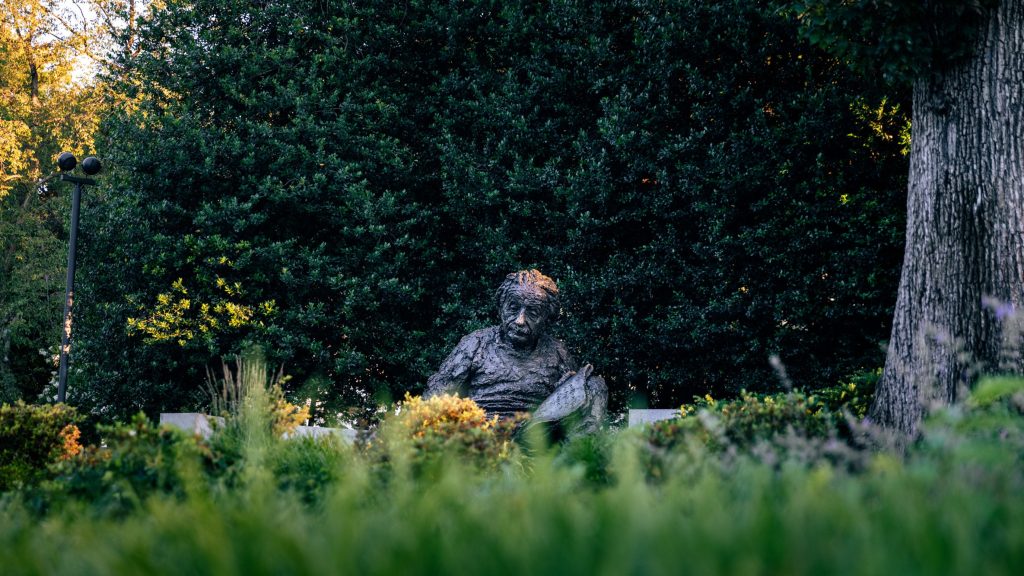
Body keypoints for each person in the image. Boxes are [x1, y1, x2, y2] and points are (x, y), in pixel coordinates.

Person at [425, 269, 607, 434]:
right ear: (501, 307)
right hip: (482, 433)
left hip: (534, 437)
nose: (520, 320)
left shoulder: (558, 353)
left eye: (532, 313)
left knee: (594, 385)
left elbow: (571, 401)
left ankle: (579, 457)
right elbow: (437, 393)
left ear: (546, 318)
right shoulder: (476, 344)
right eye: (513, 308)